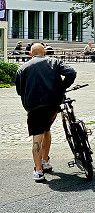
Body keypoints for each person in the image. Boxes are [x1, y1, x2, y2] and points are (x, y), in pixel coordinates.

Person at [15, 43, 76, 182]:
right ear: (45, 53)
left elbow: (19, 90)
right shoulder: (54, 62)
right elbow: (71, 73)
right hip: (52, 104)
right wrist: (61, 87)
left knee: (37, 136)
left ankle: (38, 171)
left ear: (30, 54)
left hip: (34, 107)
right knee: (46, 129)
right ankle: (45, 161)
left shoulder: (22, 68)